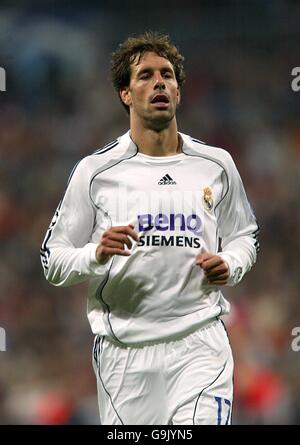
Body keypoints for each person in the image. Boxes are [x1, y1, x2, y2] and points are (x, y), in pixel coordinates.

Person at [40, 31, 259, 425]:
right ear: (125, 93)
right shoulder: (96, 173)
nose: (159, 82)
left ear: (177, 91)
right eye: (145, 75)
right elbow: (52, 261)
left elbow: (245, 235)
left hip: (200, 343)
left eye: (168, 75)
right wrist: (96, 254)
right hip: (125, 354)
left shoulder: (216, 164)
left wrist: (231, 263)